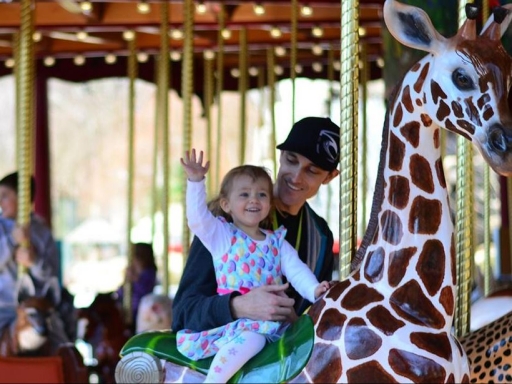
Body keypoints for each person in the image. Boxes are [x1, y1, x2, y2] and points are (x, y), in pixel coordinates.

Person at [172, 116, 340, 333]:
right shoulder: (225, 218)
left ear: (329, 177)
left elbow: (317, 316)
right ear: (280, 156)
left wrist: (295, 320)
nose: (296, 176)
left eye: (312, 170)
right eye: (291, 160)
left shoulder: (322, 236)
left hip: (286, 354)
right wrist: (237, 306)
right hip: (231, 347)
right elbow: (183, 314)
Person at [177, 149, 330, 382]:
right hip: (240, 325)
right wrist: (196, 181)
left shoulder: (276, 242)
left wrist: (315, 290)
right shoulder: (222, 235)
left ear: (269, 203)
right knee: (252, 340)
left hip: (273, 325)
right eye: (244, 194)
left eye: (261, 195)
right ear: (226, 204)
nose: (253, 200)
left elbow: (297, 271)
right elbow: (197, 219)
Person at [0, 171, 64, 339]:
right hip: (3, 306)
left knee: (61, 342)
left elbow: (52, 275)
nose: (0, 202)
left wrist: (34, 262)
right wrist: (11, 241)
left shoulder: (41, 232)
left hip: (37, 307)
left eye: (5, 196)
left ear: (22, 198)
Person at [116, 242, 157, 333]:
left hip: (141, 308)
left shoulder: (149, 272)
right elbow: (120, 291)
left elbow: (145, 290)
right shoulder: (134, 272)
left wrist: (134, 277)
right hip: (128, 307)